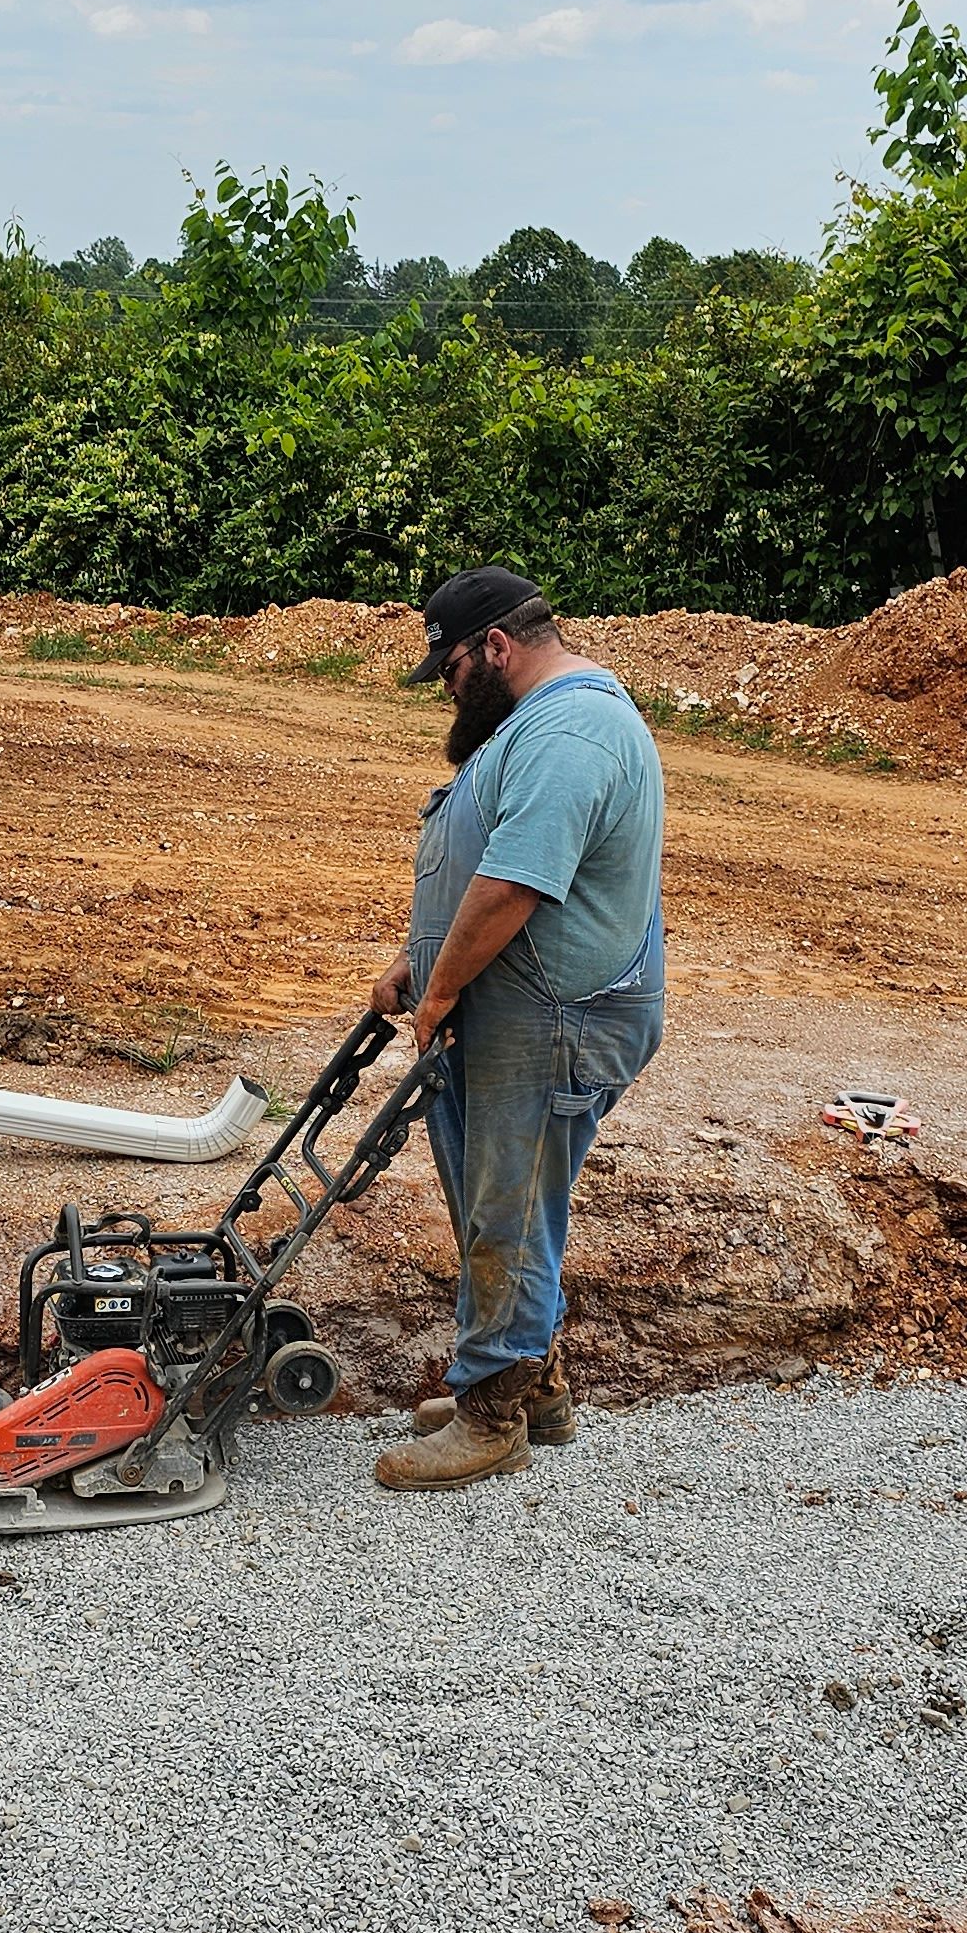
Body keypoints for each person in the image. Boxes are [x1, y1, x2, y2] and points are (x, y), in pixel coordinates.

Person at [367, 564, 666, 1490]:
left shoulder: (574, 729)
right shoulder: (543, 725)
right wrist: (422, 960)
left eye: (451, 670)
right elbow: (494, 866)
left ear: (495, 647)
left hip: (551, 1018)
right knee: (506, 1198)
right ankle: (531, 1381)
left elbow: (517, 883)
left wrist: (444, 988)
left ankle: (492, 1413)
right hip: (519, 1008)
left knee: (506, 1205)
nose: (449, 691)